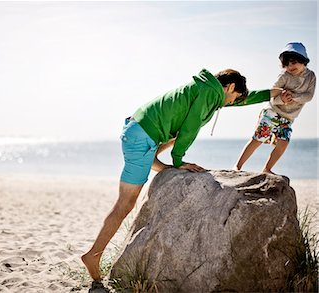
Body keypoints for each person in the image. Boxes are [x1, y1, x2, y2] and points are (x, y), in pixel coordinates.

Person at [81, 68, 272, 281]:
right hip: (141, 138)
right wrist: (179, 161)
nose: (230, 103)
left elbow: (240, 100)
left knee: (172, 139)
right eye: (234, 97)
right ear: (231, 87)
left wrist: (272, 94)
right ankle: (93, 255)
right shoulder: (209, 93)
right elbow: (190, 127)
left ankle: (154, 161)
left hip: (141, 130)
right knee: (124, 204)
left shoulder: (207, 88)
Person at [234, 42, 316, 174]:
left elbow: (309, 96)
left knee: (283, 143)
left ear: (303, 61)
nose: (290, 66)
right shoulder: (284, 76)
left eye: (293, 62)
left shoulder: (311, 76)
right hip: (273, 111)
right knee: (258, 139)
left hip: (289, 117)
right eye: (286, 64)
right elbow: (272, 96)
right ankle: (237, 166)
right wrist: (281, 99)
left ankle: (267, 169)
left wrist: (293, 97)